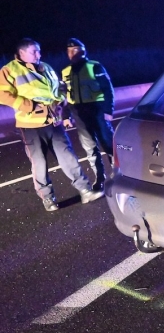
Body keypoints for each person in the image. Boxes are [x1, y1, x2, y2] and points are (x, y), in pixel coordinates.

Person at [0, 38, 104, 211]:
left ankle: (85, 191)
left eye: (39, 51)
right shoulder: (10, 70)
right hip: (30, 124)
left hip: (53, 121)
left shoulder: (46, 67)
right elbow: (3, 94)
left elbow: (59, 88)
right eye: (34, 51)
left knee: (68, 157)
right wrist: (29, 105)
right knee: (39, 163)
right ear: (22, 53)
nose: (38, 54)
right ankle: (48, 199)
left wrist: (61, 104)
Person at [62, 38, 115, 192]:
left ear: (83, 51)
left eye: (76, 50)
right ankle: (100, 178)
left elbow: (107, 88)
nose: (73, 53)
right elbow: (64, 96)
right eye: (70, 51)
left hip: (97, 110)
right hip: (79, 113)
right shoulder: (66, 72)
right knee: (90, 147)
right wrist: (66, 116)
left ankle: (118, 174)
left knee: (108, 144)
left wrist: (108, 111)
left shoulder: (95, 67)